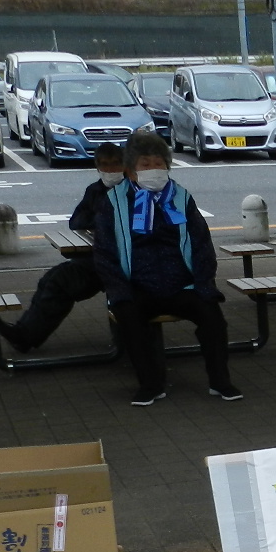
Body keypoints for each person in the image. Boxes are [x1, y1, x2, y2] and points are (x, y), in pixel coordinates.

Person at [91, 132, 238, 406]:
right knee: (129, 319)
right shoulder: (113, 202)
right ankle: (150, 385)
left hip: (182, 285)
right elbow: (104, 253)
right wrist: (120, 292)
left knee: (213, 317)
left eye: (159, 163)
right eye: (146, 164)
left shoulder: (180, 197)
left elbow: (202, 244)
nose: (154, 169)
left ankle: (220, 382)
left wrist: (204, 284)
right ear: (131, 170)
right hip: (137, 286)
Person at [0, 143, 124, 353]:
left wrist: (98, 223)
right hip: (96, 257)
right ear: (97, 167)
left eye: (115, 164)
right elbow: (76, 221)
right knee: (50, 279)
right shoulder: (95, 190)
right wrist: (98, 223)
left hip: (116, 262)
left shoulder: (130, 192)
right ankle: (24, 332)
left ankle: (25, 336)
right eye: (105, 165)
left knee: (60, 282)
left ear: (125, 165)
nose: (110, 170)